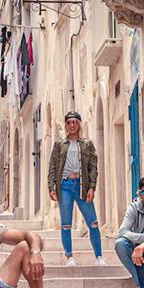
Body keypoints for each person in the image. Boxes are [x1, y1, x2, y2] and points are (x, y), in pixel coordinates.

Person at [47, 111, 104, 266]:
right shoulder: (59, 145)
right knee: (66, 224)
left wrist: (92, 187)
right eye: (69, 122)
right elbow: (52, 166)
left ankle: (99, 257)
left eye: (75, 122)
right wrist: (51, 186)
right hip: (64, 186)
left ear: (79, 124)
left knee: (93, 222)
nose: (72, 125)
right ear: (66, 125)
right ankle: (69, 256)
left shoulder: (87, 144)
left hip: (82, 186)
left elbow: (93, 167)